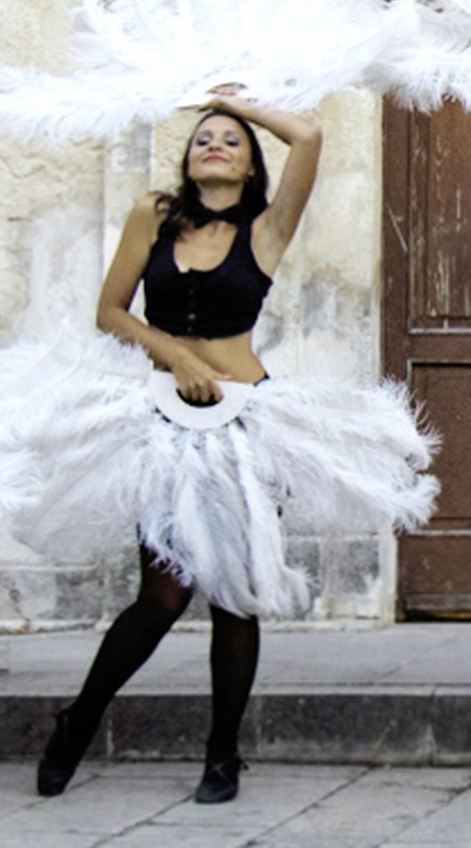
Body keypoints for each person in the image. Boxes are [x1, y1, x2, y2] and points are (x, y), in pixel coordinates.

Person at [34, 94, 328, 806]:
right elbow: (109, 311)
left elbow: (310, 133)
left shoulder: (266, 228)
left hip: (245, 424)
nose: (216, 143)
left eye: (231, 138)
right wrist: (175, 356)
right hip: (165, 421)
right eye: (204, 136)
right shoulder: (153, 215)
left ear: (253, 159)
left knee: (234, 596)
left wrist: (233, 98)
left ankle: (223, 754)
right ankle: (79, 719)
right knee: (162, 594)